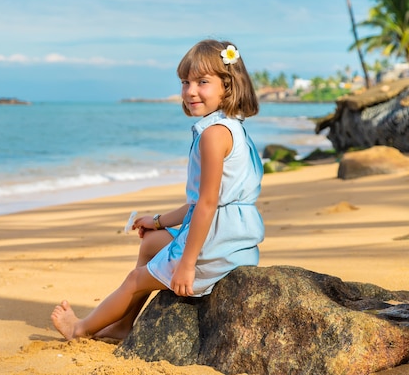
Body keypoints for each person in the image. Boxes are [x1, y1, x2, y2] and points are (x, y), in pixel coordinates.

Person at [51, 39, 265, 341]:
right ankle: (124, 323)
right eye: (185, 82)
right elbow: (200, 205)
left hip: (215, 247)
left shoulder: (213, 136)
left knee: (134, 280)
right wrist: (157, 220)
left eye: (202, 82)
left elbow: (207, 204)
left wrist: (186, 266)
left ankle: (80, 328)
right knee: (151, 243)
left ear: (227, 86)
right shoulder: (231, 127)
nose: (190, 91)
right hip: (231, 238)